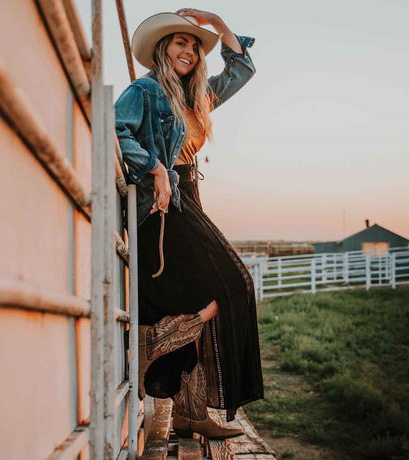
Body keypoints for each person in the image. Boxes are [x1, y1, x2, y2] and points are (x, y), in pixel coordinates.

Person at [115, 9, 263, 439]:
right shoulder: (146, 90)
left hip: (189, 197)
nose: (190, 51)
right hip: (164, 204)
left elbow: (243, 69)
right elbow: (116, 126)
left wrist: (216, 23)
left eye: (195, 46)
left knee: (205, 296)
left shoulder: (196, 95)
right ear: (163, 49)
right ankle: (153, 351)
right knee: (234, 283)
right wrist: (155, 167)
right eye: (180, 43)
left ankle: (188, 409)